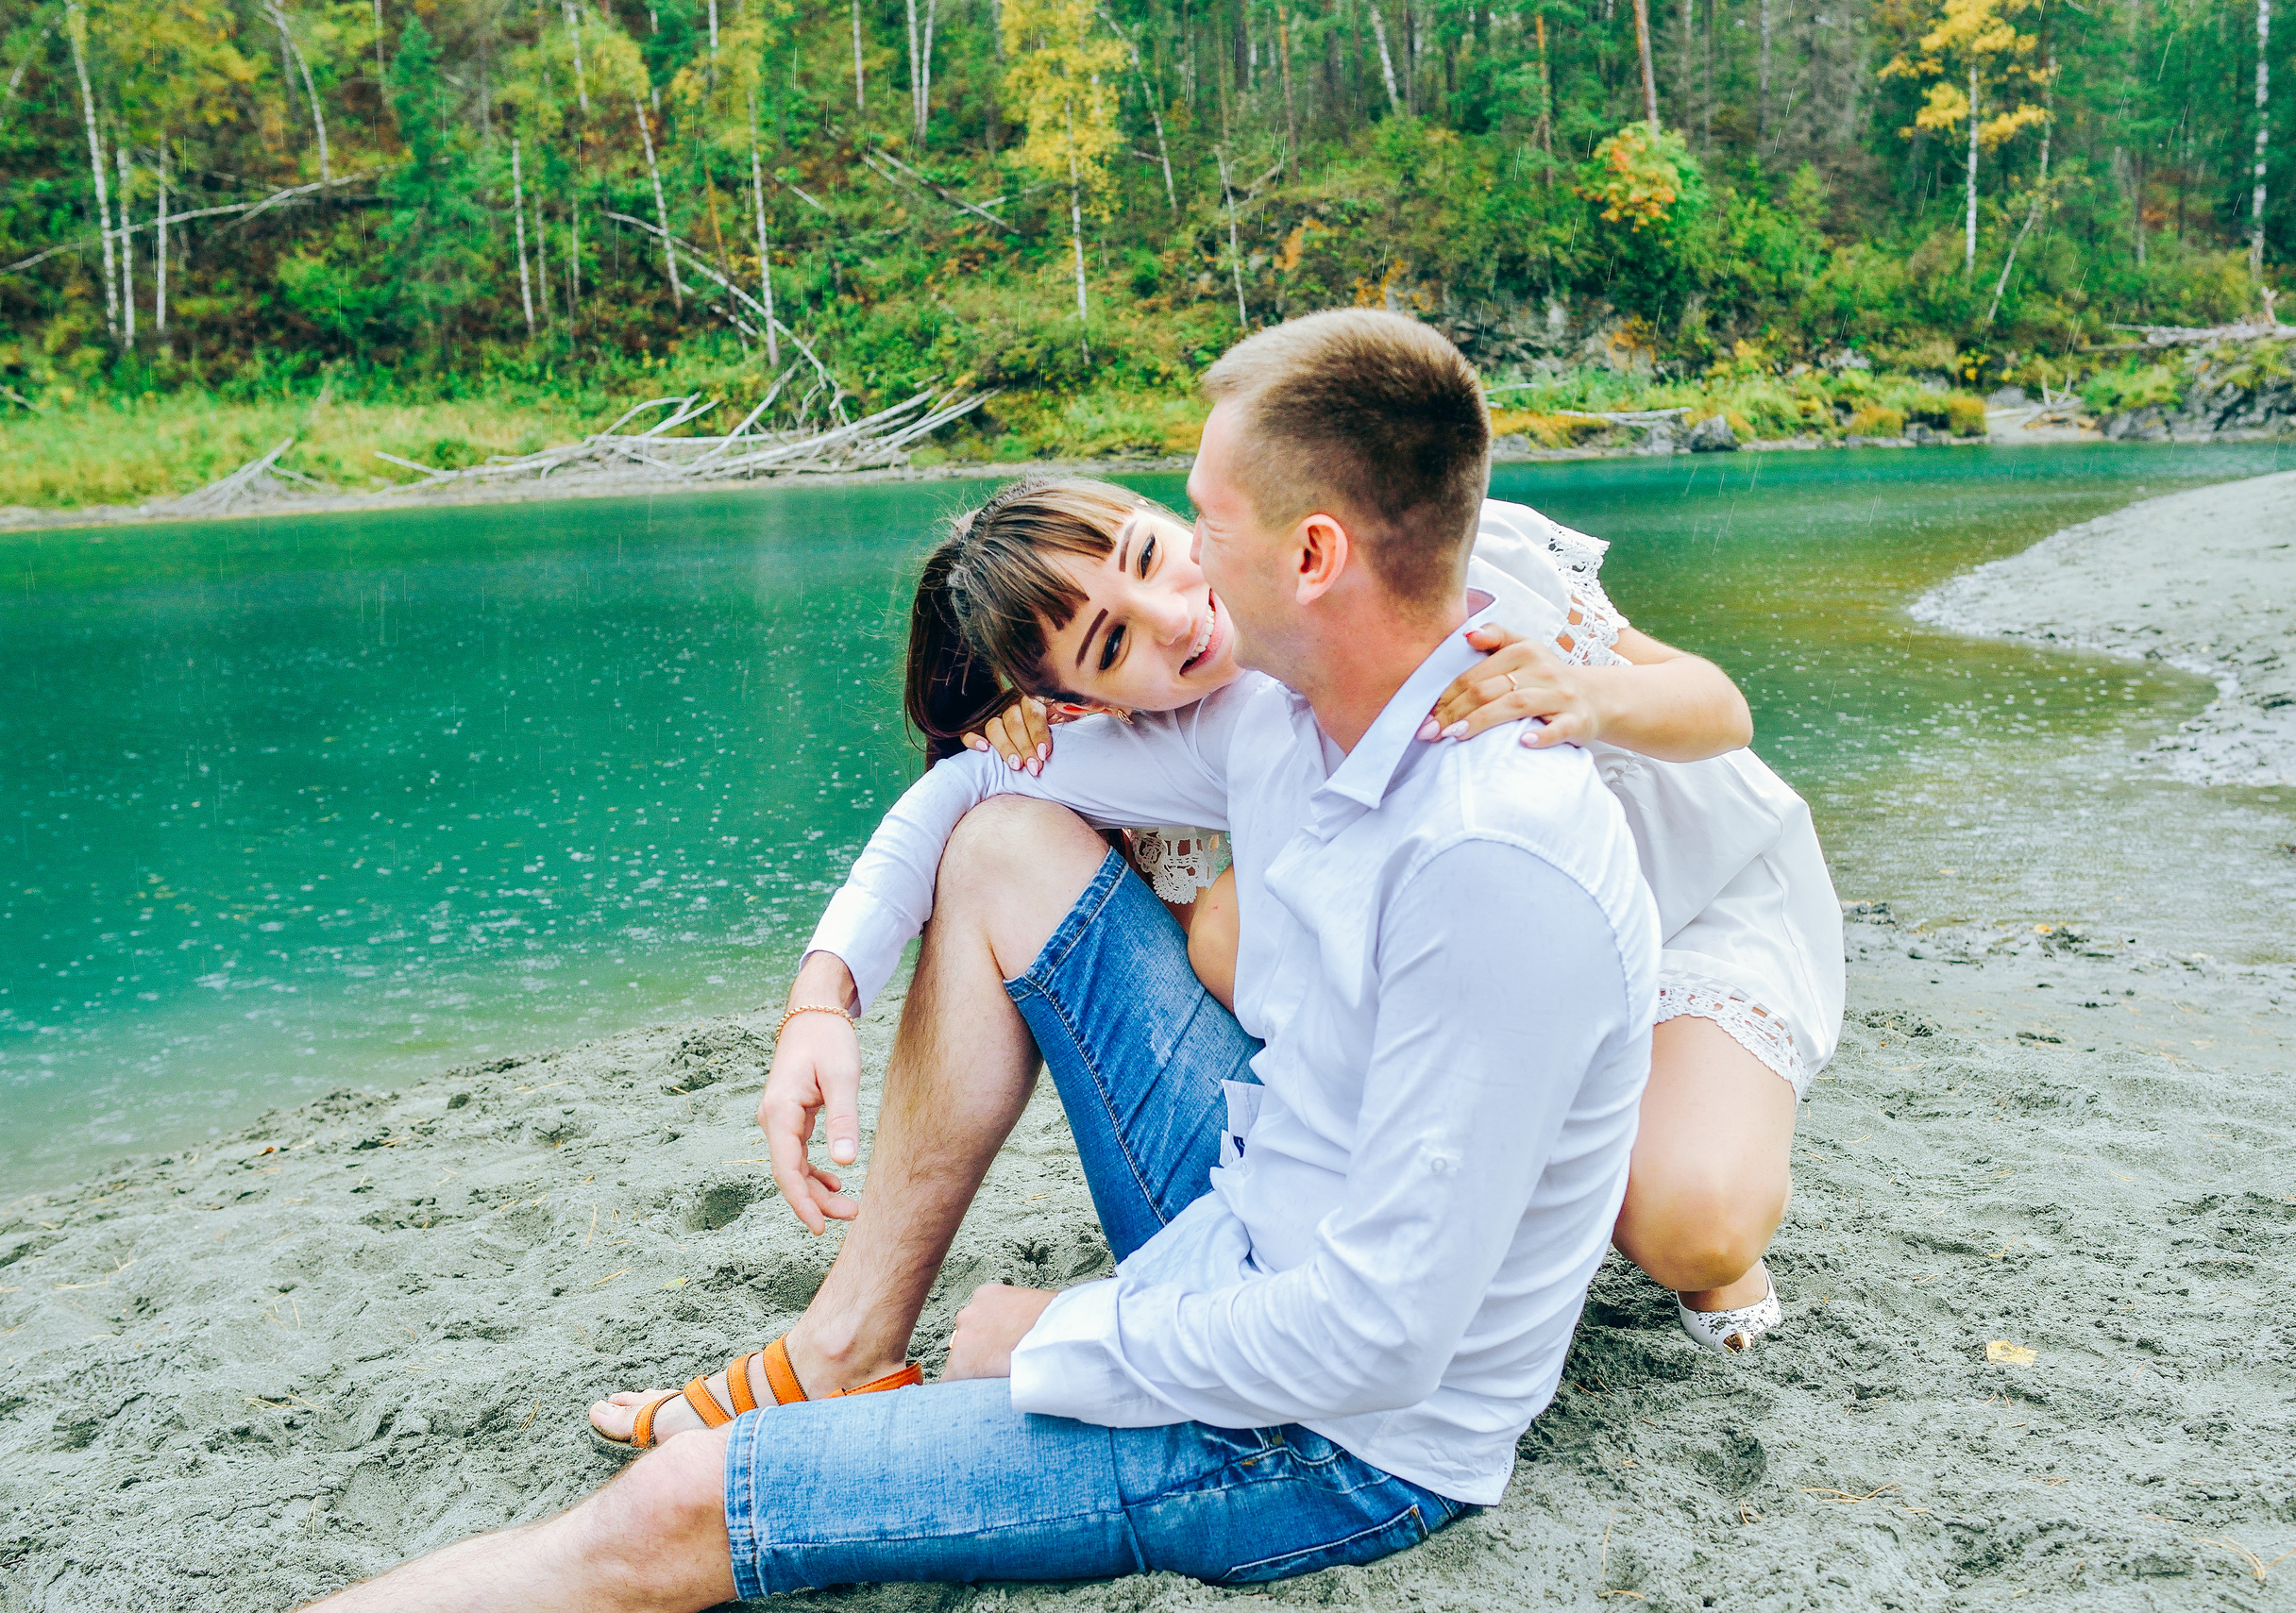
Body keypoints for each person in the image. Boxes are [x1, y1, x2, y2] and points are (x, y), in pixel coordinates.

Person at [308, 308, 1659, 1609]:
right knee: (1014, 839)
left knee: (680, 1506)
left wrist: (1067, 1337)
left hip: (1332, 1441)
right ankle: (847, 1342)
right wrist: (822, 993)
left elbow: (1383, 1338)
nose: (1188, 549)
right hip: (1253, 1207)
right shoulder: (1286, 717)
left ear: (1312, 556)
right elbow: (967, 794)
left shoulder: (1493, 861)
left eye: (1207, 519)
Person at [937, 487, 1843, 1353]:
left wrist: (1587, 693)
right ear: (1091, 702)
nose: (1169, 615)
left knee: (1697, 1225)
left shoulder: (1413, 568)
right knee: (1222, 927)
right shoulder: (1183, 732)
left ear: (1178, 516)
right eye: (1109, 644)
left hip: (1679, 901)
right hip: (1494, 957)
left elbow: (1723, 708)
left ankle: (1694, 1193)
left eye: (1146, 555)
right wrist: (1028, 740)